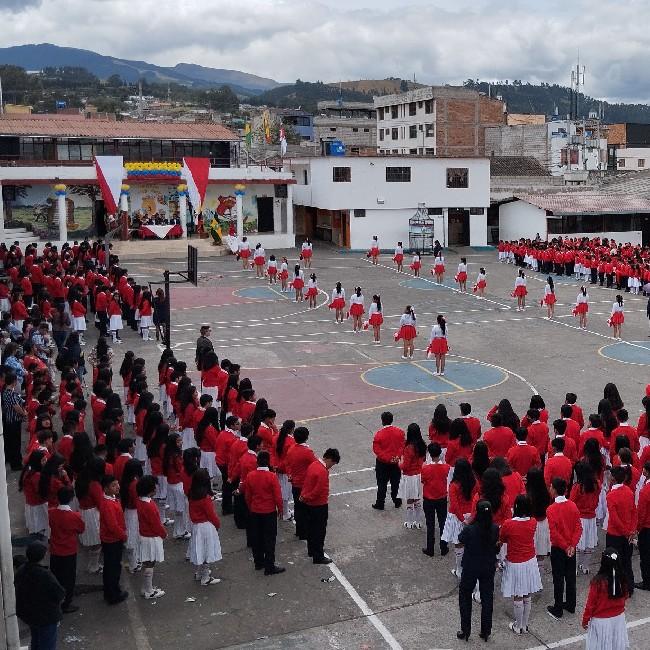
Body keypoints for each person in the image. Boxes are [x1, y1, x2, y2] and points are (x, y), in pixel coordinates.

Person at [456, 500, 499, 642]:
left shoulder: (470, 529)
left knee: (465, 596)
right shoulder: (494, 528)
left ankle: (465, 630)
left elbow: (460, 539)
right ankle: (486, 630)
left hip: (471, 566)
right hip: (487, 566)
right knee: (487, 598)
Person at [500, 495, 542, 635]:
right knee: (527, 594)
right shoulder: (533, 522)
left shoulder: (508, 524)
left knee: (518, 595)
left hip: (515, 562)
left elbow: (503, 538)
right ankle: (524, 624)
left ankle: (518, 625)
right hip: (530, 561)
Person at [14, 541, 66, 650]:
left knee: (36, 639)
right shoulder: (45, 574)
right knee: (47, 643)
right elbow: (59, 593)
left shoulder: (21, 571)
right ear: (42, 557)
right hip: (46, 615)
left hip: (29, 613)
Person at [241, 451, 285, 574]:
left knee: (257, 538)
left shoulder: (250, 476)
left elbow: (248, 496)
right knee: (269, 539)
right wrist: (280, 509)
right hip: (269, 511)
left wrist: (251, 507)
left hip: (255, 511)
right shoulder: (271, 476)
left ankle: (258, 563)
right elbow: (277, 496)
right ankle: (269, 566)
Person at [546, 477, 582, 620]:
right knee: (571, 577)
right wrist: (572, 545)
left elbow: (554, 533)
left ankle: (558, 607)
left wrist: (566, 546)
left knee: (558, 578)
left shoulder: (551, 509)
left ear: (554, 490)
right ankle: (571, 604)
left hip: (559, 548)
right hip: (571, 549)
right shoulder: (573, 506)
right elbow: (578, 527)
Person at [582, 548, 630, 649]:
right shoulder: (623, 578)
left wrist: (585, 620)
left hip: (601, 621)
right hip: (618, 618)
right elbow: (625, 596)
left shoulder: (597, 582)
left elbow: (590, 604)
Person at [48, 485, 85, 613]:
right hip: (69, 550)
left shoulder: (52, 513)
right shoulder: (75, 516)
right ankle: (66, 603)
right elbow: (81, 529)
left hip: (55, 550)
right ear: (71, 499)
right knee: (68, 578)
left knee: (56, 576)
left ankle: (55, 599)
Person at [301, 447, 340, 564]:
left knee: (311, 528)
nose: (331, 466)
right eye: (332, 463)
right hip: (319, 505)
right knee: (319, 531)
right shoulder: (322, 471)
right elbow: (317, 491)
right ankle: (318, 555)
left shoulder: (314, 465)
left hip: (309, 503)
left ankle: (311, 550)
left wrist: (304, 496)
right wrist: (307, 497)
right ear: (329, 459)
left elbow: (307, 483)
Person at [605, 465, 637, 595]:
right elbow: (634, 512)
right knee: (626, 561)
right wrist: (632, 530)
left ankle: (615, 589)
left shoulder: (611, 495)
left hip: (615, 534)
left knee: (613, 563)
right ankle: (629, 586)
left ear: (613, 478)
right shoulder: (629, 492)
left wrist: (625, 532)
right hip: (627, 534)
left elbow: (614, 518)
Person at [187, 469, 222, 586]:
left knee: (200, 549)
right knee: (207, 550)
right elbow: (211, 514)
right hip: (207, 526)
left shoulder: (192, 495)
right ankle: (206, 577)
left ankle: (200, 573)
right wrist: (217, 524)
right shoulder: (205, 498)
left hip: (197, 526)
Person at [99, 474, 128, 605]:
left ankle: (112, 590)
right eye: (113, 485)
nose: (117, 487)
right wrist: (123, 535)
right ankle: (112, 594)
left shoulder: (112, 500)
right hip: (112, 540)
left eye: (117, 484)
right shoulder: (107, 504)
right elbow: (112, 526)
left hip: (113, 538)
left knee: (113, 566)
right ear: (106, 488)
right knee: (112, 567)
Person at [136, 475, 167, 599]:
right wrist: (164, 533)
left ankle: (146, 588)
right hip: (151, 537)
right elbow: (155, 524)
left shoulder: (140, 502)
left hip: (144, 536)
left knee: (147, 562)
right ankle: (149, 590)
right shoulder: (150, 505)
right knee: (150, 563)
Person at [285, 426, 316, 541]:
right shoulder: (307, 451)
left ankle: (299, 530)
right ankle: (304, 532)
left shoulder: (291, 448)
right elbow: (315, 465)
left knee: (298, 508)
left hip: (295, 482)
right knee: (305, 509)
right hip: (304, 484)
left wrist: (290, 474)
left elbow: (287, 464)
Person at [421, 442, 450, 557]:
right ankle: (443, 547)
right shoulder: (446, 467)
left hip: (429, 498)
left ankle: (430, 548)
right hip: (441, 498)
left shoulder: (425, 469)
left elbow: (423, 481)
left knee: (430, 524)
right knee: (443, 522)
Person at [371, 412, 404, 510]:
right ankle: (397, 501)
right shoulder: (400, 432)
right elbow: (402, 446)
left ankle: (380, 503)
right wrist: (397, 457)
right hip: (395, 462)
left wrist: (387, 458)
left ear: (382, 421)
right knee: (396, 483)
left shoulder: (379, 434)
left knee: (381, 484)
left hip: (383, 463)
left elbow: (377, 450)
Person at [397, 424, 427, 529]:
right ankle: (418, 522)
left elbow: (405, 466)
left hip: (409, 476)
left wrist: (399, 463)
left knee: (410, 499)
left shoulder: (409, 448)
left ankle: (409, 522)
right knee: (417, 499)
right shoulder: (422, 445)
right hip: (419, 475)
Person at [1, 370, 26, 470]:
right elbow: (16, 407)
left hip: (12, 420)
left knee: (13, 442)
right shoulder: (9, 393)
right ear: (14, 382)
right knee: (15, 443)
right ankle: (16, 464)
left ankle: (16, 460)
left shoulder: (7, 392)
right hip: (13, 421)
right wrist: (24, 414)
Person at [636, 461, 650, 590]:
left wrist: (637, 528)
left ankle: (647, 582)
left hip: (646, 528)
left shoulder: (645, 491)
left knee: (645, 556)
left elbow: (641, 512)